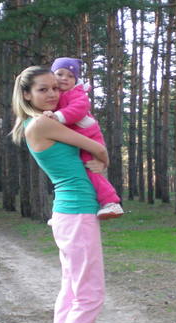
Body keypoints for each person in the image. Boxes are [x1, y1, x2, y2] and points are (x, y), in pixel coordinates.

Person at [11, 66, 108, 323]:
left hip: (72, 213)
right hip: (76, 213)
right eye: (43, 89)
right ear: (27, 94)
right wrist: (103, 157)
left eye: (55, 87)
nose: (53, 94)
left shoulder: (40, 122)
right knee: (90, 295)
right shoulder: (42, 123)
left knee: (71, 293)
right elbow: (96, 148)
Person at [44, 57, 124, 220]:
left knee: (92, 170)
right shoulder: (54, 94)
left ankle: (111, 202)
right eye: (60, 74)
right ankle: (62, 212)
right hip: (74, 141)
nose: (64, 78)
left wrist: (57, 116)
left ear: (76, 80)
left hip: (90, 139)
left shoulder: (77, 93)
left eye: (70, 76)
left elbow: (79, 109)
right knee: (66, 172)